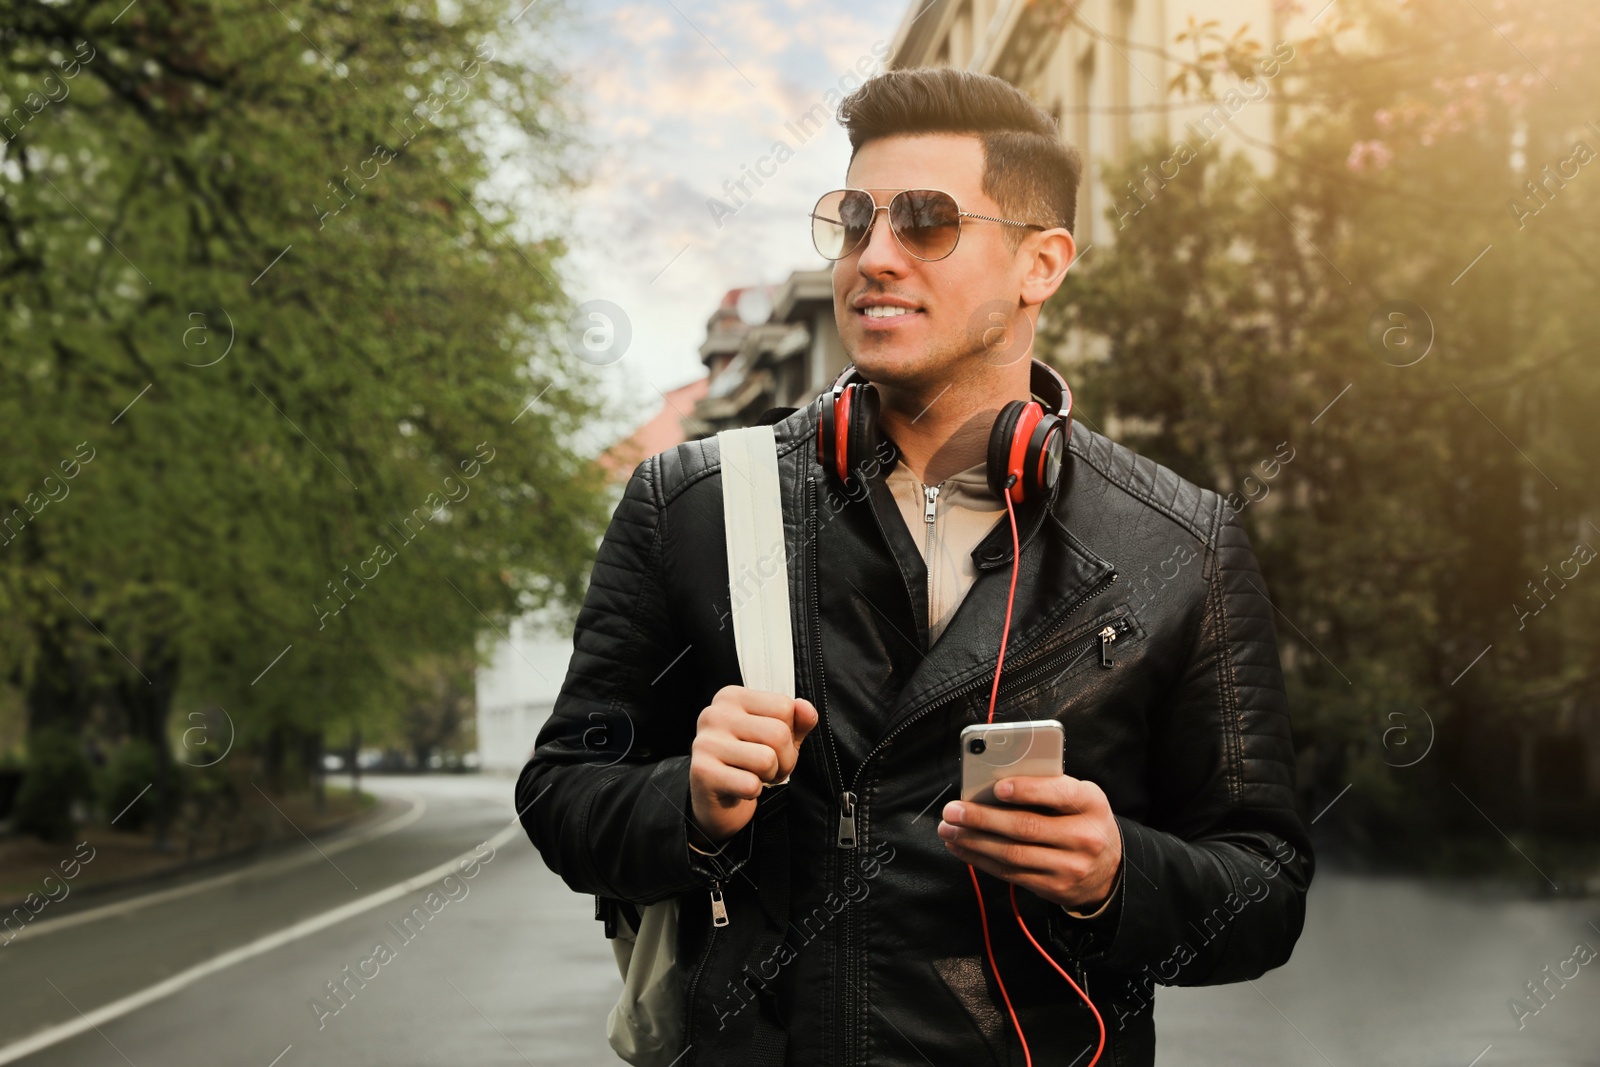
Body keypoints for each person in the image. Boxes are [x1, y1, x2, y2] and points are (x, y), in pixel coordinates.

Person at [517, 66, 1313, 1067]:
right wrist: (686, 800)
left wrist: (1118, 871)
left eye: (927, 222)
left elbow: (1265, 887)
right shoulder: (694, 504)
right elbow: (561, 793)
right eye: (854, 222)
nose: (873, 257)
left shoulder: (1178, 540)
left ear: (1042, 263)